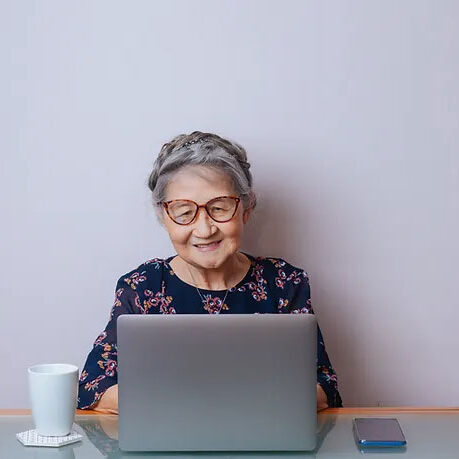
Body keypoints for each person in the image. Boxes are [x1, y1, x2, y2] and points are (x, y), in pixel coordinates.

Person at [78, 131, 343, 413]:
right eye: (183, 212)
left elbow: (323, 387)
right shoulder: (143, 286)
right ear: (163, 218)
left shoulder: (284, 282)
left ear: (246, 208)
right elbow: (95, 388)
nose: (204, 229)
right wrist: (200, 406)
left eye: (219, 208)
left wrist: (217, 406)